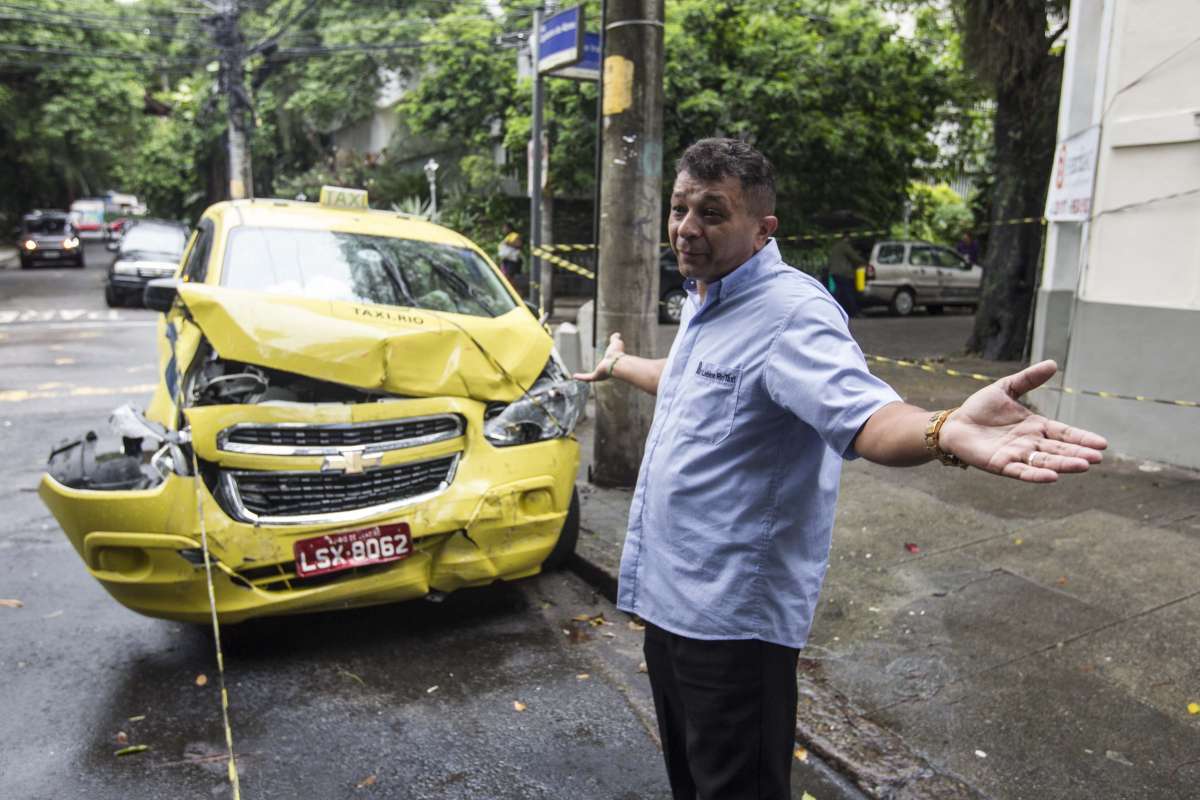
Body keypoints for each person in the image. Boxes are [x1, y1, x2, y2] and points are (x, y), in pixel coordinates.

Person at [573, 138, 1106, 800]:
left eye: (711, 212)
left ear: (762, 229)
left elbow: (869, 417)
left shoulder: (793, 315)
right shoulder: (705, 299)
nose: (686, 227)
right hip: (671, 604)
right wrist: (620, 365)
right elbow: (691, 379)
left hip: (733, 627)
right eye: (680, 208)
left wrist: (945, 428)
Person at [826, 233, 865, 317]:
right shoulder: (845, 246)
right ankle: (855, 312)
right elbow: (854, 257)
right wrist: (864, 262)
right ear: (847, 238)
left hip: (834, 272)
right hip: (843, 273)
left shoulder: (835, 246)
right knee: (848, 293)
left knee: (838, 293)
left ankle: (835, 311)